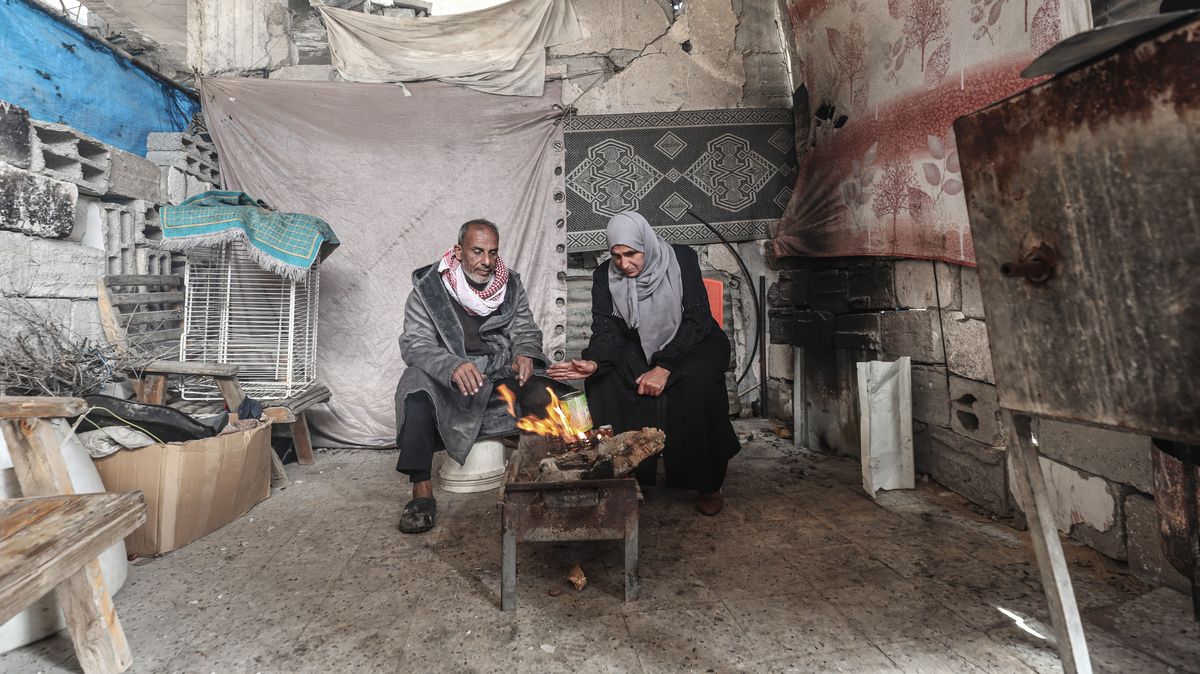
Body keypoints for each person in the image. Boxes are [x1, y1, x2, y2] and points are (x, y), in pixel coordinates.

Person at [548, 211, 741, 516]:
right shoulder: (604, 277)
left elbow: (697, 319)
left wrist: (664, 367)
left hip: (695, 340)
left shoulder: (681, 259)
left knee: (698, 378)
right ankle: (624, 476)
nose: (624, 264)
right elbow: (607, 331)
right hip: (639, 345)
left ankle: (708, 483)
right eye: (617, 256)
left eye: (631, 254)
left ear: (646, 244)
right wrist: (595, 363)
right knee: (604, 381)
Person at [393, 219, 566, 533]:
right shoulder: (428, 289)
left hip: (497, 376)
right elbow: (415, 345)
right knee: (414, 389)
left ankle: (542, 479)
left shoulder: (509, 285)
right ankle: (421, 492)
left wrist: (523, 353)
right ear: (459, 251)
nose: (487, 262)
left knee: (552, 394)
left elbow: (525, 331)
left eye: (492, 252)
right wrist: (452, 366)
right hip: (450, 380)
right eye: (477, 252)